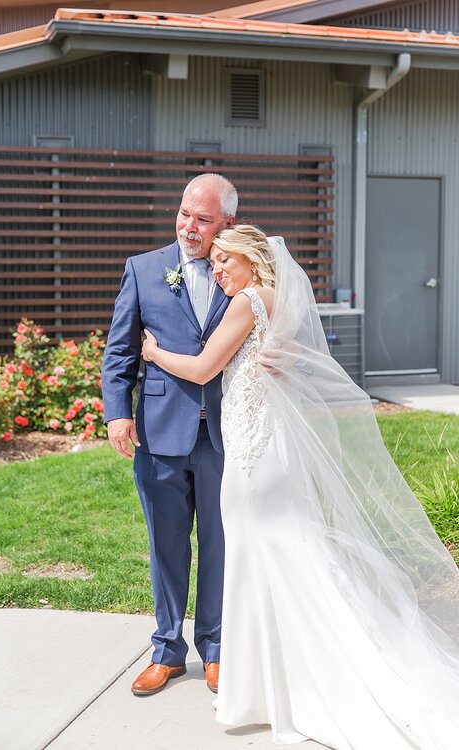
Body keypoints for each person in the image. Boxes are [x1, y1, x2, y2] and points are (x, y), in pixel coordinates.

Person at [142, 225, 459, 749]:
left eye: (226, 259)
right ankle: (268, 685)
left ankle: (295, 684)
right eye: (214, 261)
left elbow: (202, 369)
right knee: (268, 561)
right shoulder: (272, 300)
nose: (217, 268)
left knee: (270, 560)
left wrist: (153, 355)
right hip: (261, 450)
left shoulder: (247, 300)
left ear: (252, 259)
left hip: (253, 459)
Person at [100, 173, 237, 696]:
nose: (189, 227)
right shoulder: (143, 268)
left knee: (221, 544)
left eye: (203, 219)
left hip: (225, 434)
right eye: (184, 214)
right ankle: (167, 651)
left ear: (226, 222)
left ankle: (217, 649)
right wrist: (117, 412)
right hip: (159, 432)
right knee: (166, 547)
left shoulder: (240, 272)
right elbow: (119, 349)